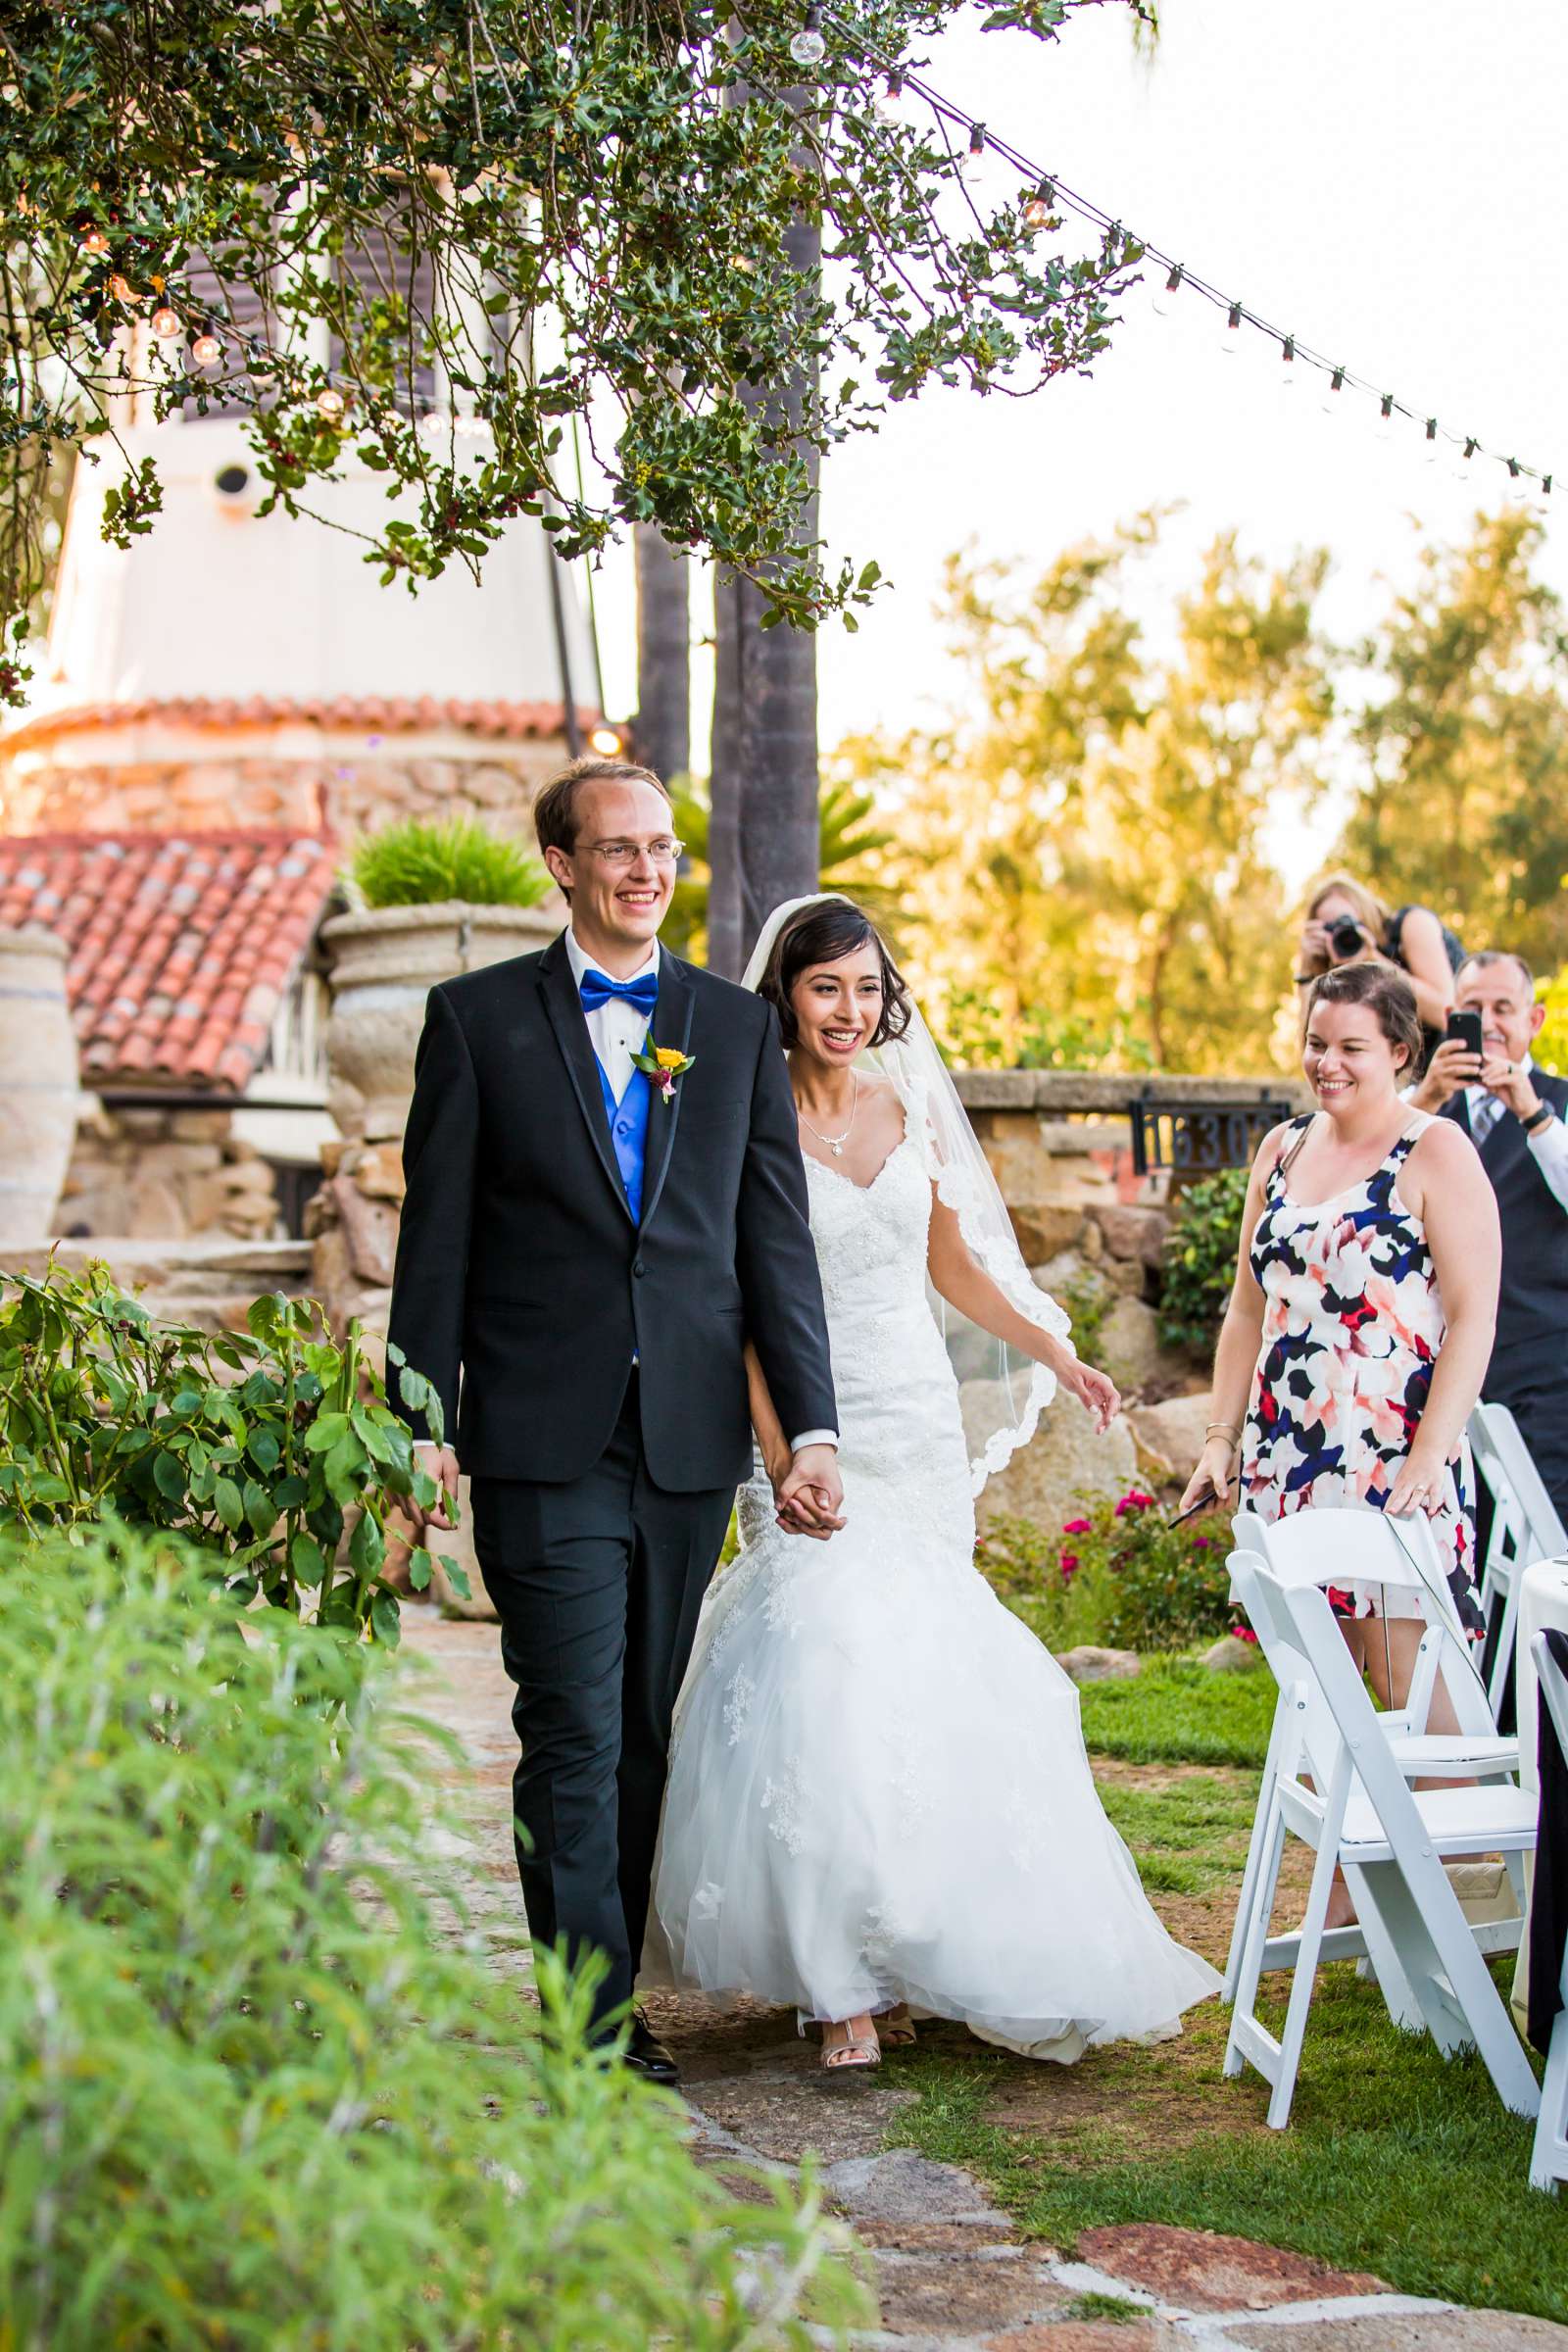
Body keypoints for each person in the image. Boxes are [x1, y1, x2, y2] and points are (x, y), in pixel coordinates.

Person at [647, 895, 1221, 2072]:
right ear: (784, 996)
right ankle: (837, 1983)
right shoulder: (735, 1111)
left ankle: (901, 1950)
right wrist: (775, 1444)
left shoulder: (903, 1102)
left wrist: (1054, 1347)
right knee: (820, 1654)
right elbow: (734, 1302)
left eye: (867, 988)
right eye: (825, 989)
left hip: (909, 1418)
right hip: (805, 1420)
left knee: (917, 1667)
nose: (850, 1012)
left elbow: (949, 1263)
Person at [386, 758, 841, 2084]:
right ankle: (588, 2021)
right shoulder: (474, 1023)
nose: (648, 868)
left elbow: (776, 1247)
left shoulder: (730, 1027)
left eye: (662, 848)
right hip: (540, 1434)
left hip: (690, 1435)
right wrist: (425, 1413)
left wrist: (806, 1427)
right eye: (619, 848)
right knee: (573, 1725)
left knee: (644, 1728)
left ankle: (605, 1976)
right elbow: (438, 1242)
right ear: (563, 864)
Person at [1179, 963, 1499, 1824]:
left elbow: (1473, 1316)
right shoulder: (1279, 1149)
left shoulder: (1436, 1150)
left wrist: (1430, 1455)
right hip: (1288, 1451)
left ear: (1400, 1050)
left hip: (1395, 1451)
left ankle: (1461, 1866)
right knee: (1321, 1682)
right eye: (1317, 1043)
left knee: (1405, 1669)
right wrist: (1220, 1439)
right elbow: (1248, 1308)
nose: (1328, 1063)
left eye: (1351, 1047)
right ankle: (1355, 1882)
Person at [1407, 949, 1568, 1530]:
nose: (1490, 1022)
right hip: (1434, 1376)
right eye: (1474, 1008)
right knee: (1457, 1539)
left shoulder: (1560, 1101)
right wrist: (1424, 1100)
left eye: (1504, 1008)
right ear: (1452, 1015)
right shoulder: (1418, 1108)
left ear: (1534, 1020)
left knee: (1546, 1533)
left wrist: (1532, 1112)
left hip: (1546, 1369)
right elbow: (1365, 1180)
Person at [1296, 871, 1462, 1068]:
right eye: (1328, 929)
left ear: (1367, 912)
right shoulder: (1336, 966)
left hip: (1460, 1061)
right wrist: (1309, 967)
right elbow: (1311, 1047)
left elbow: (1447, 1013)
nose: (1340, 935)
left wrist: (1373, 959)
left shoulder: (1411, 924)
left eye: (1346, 922)